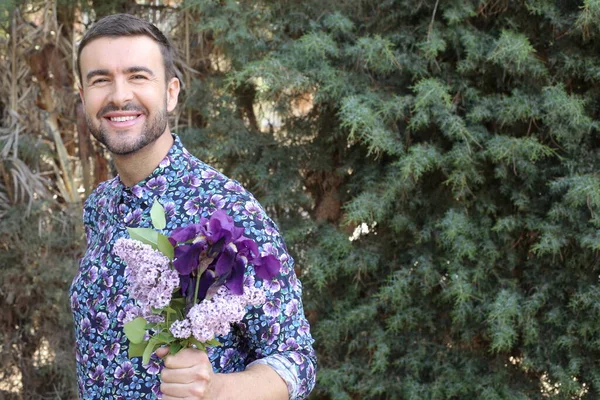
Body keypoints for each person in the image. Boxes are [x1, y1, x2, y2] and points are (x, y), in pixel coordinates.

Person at [70, 13, 316, 399]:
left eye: (138, 76)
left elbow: (296, 360)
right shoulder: (101, 205)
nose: (119, 95)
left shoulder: (225, 210)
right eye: (101, 79)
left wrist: (216, 388)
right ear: (84, 97)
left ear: (170, 92)